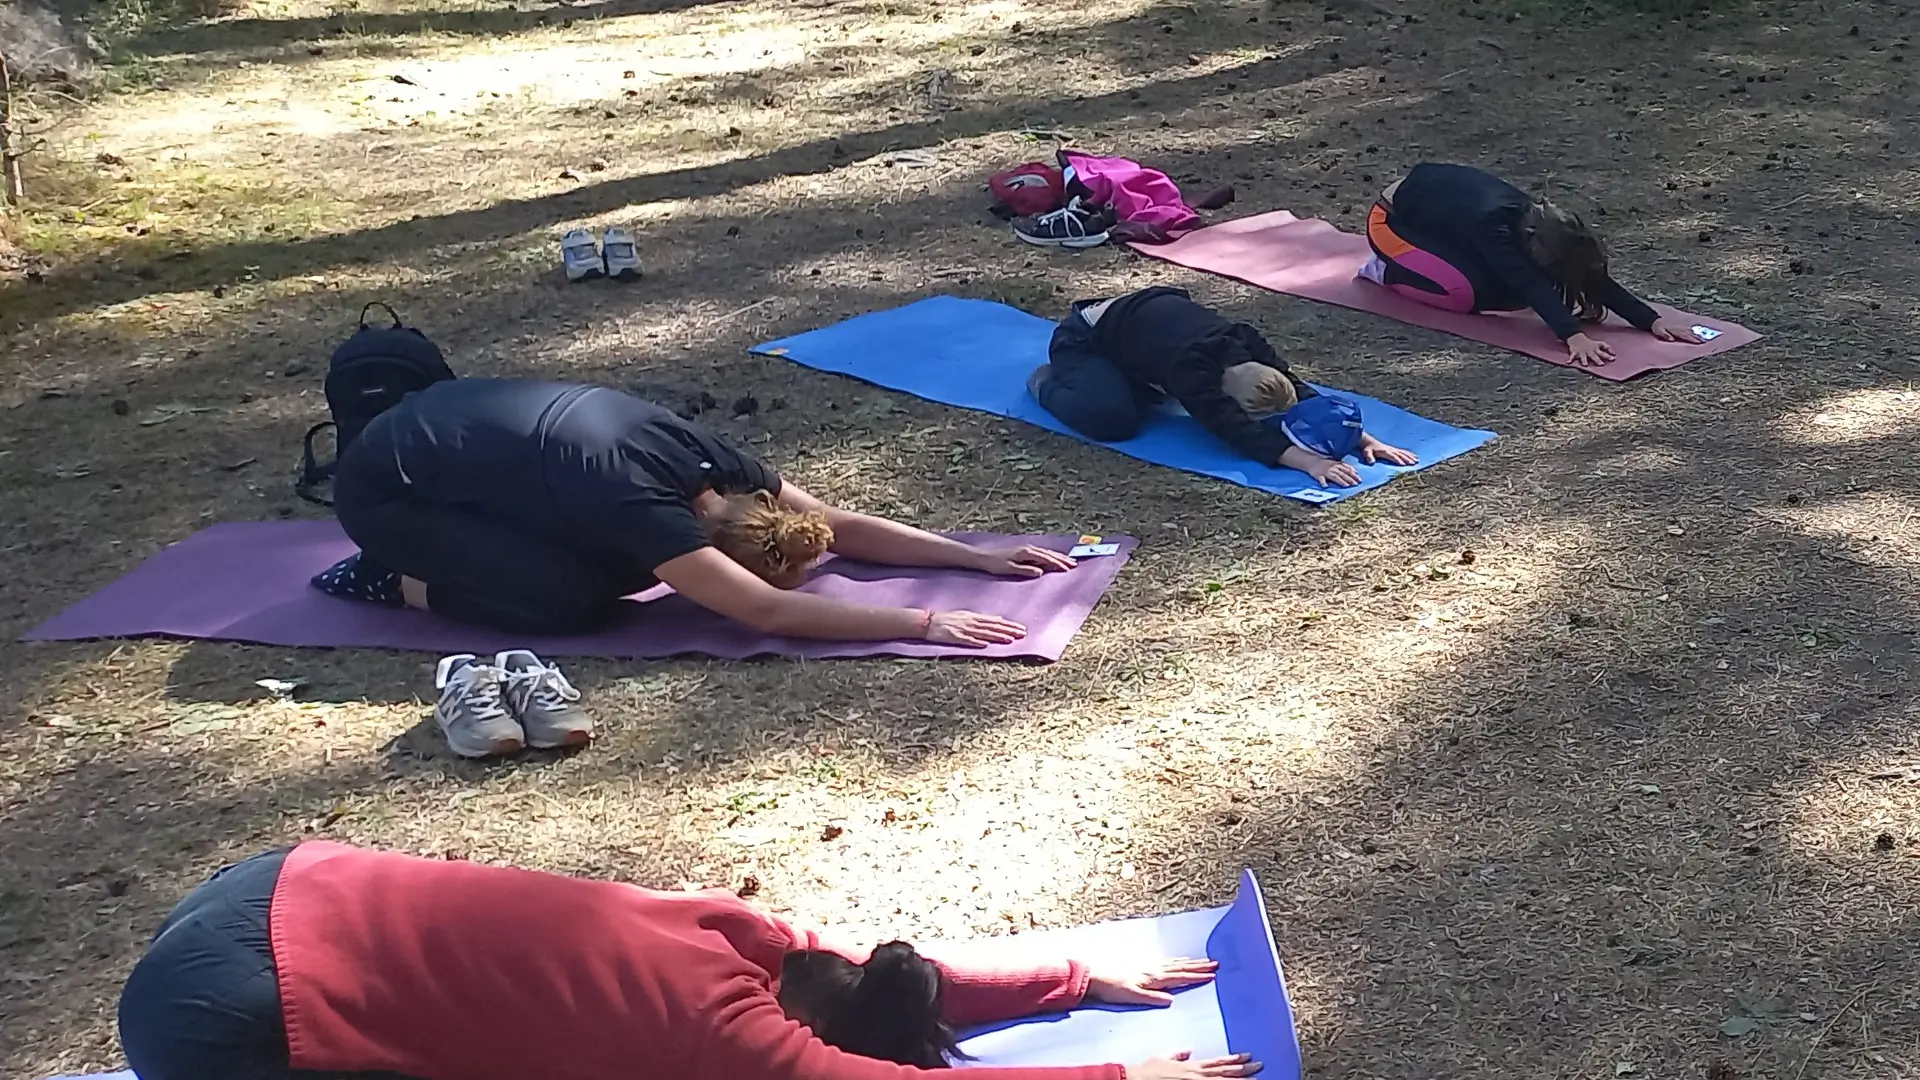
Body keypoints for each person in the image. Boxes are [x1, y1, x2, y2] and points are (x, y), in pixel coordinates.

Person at [117, 842, 1265, 1080]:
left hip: (268, 880)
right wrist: (1122, 1077)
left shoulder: (737, 931)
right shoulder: (732, 1038)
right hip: (222, 1017)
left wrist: (1069, 979)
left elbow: (891, 971)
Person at [314, 379, 1074, 643]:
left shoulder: (721, 469)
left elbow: (837, 523)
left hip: (457, 432)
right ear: (709, 548)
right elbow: (769, 615)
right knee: (577, 597)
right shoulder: (646, 514)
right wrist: (925, 622)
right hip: (387, 488)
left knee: (595, 555)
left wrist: (972, 556)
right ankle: (394, 578)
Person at [1026, 286, 1416, 488]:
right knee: (1113, 418)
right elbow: (1232, 427)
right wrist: (1310, 461)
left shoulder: (1247, 340)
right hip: (1085, 339)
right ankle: (1046, 384)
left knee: (1153, 396)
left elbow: (1298, 389)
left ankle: (1137, 375)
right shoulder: (1190, 371)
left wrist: (1360, 437)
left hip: (1143, 325)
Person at [1360, 162, 1707, 367]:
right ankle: (1385, 269)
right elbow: (1527, 280)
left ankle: (1421, 258)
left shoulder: (1543, 222)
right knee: (1465, 293)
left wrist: (1651, 321)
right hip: (1390, 222)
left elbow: (1586, 274)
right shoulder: (1493, 226)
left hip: (1438, 216)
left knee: (1507, 292)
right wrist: (1573, 336)